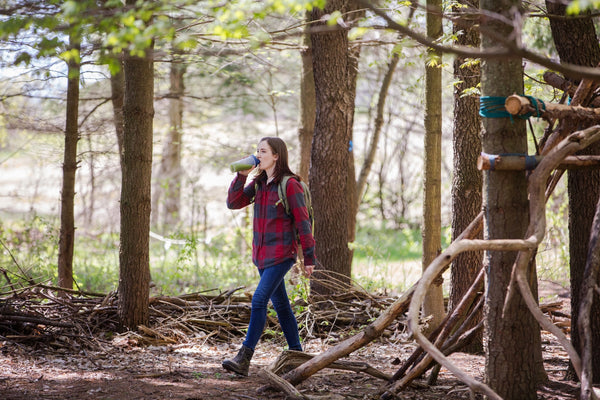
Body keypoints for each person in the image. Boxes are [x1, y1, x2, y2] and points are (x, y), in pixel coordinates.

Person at [223, 136, 316, 376]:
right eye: (257, 151)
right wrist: (242, 175)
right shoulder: (259, 183)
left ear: (276, 156)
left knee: (259, 300)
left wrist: (308, 257)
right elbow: (233, 203)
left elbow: (303, 222)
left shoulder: (290, 184)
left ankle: (244, 358)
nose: (258, 155)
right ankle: (297, 353)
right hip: (262, 256)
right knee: (282, 305)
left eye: (263, 151)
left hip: (282, 255)